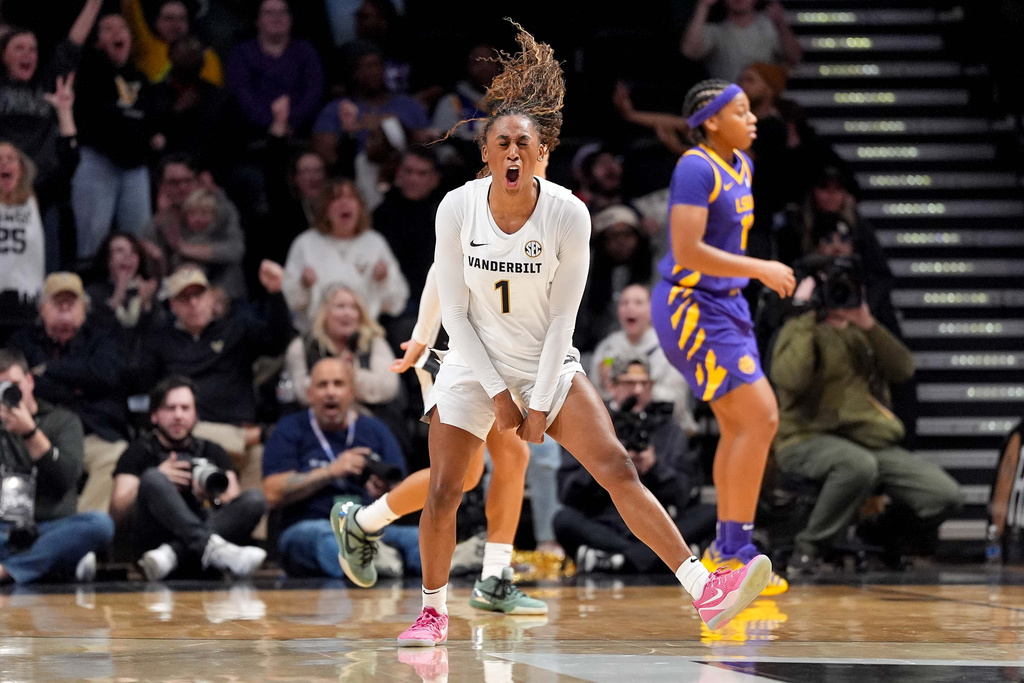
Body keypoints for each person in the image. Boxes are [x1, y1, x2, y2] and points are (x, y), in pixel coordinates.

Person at [393, 24, 772, 647]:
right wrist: (497, 394)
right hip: (470, 361)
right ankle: (432, 611)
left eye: (525, 143)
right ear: (485, 154)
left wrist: (538, 400)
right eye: (501, 143)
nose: (513, 152)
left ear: (543, 154)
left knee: (617, 465)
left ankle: (705, 589)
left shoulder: (568, 212)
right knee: (444, 490)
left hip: (546, 359)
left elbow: (566, 318)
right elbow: (454, 312)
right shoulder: (456, 207)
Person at [649, 79, 796, 597]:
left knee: (742, 425)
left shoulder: (744, 165)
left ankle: (729, 551)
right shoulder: (695, 166)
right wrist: (760, 268)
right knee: (761, 416)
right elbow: (687, 252)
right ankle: (730, 550)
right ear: (711, 120)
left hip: (726, 305)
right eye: (741, 110)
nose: (753, 117)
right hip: (690, 304)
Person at [331, 263, 547, 615]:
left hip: (496, 350)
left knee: (511, 457)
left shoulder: (534, 220)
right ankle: (361, 523)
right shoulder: (476, 211)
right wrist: (422, 335)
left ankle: (494, 578)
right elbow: (440, 265)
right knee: (460, 476)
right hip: (450, 352)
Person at [771, 278, 964, 574]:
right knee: (857, 466)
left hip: (868, 441)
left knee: (944, 496)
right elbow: (790, 377)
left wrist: (867, 322)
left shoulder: (859, 333)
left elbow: (903, 369)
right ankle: (807, 549)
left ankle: (879, 535)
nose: (839, 297)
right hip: (805, 438)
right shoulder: (799, 330)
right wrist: (804, 314)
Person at [137, 263, 293, 491]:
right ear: (173, 306)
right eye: (184, 298)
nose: (193, 303)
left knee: (261, 465)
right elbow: (141, 384)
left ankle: (254, 521)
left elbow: (276, 342)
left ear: (211, 297)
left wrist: (276, 293)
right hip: (193, 435)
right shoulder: (160, 342)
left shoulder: (235, 330)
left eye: (199, 295)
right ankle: (253, 437)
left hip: (242, 430)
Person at [555, 358, 716, 573]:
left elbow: (685, 493)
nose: (638, 390)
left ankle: (620, 561)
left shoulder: (669, 429)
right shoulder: (591, 424)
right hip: (606, 523)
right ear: (612, 386)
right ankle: (655, 559)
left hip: (658, 521)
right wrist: (606, 464)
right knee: (563, 519)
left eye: (644, 384)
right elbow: (567, 491)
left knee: (712, 513)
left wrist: (654, 467)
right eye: (629, 383)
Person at [262, 357, 418, 578]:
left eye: (338, 384)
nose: (330, 392)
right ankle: (374, 561)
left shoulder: (375, 429)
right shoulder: (290, 428)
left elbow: (403, 492)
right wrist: (331, 471)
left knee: (419, 538)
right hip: (310, 526)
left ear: (352, 392)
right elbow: (272, 492)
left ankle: (386, 560)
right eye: (322, 385)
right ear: (309, 394)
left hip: (369, 524)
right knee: (325, 537)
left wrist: (386, 493)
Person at [110, 376, 267, 580]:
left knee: (255, 500)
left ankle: (174, 553)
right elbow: (117, 513)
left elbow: (232, 499)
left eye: (185, 408)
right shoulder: (138, 452)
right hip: (153, 540)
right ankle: (209, 548)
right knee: (152, 477)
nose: (178, 415)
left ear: (196, 416)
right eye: (170, 408)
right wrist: (157, 480)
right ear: (155, 415)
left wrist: (210, 497)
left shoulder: (212, 450)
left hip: (165, 557)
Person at [8, 272, 129, 514]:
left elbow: (106, 377)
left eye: (71, 303)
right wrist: (78, 384)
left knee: (115, 455)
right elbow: (16, 385)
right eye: (57, 303)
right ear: (42, 308)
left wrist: (48, 370)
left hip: (89, 431)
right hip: (38, 429)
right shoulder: (21, 341)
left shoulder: (102, 337)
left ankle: (81, 529)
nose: (65, 310)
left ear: (84, 308)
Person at [0, 348, 114, 584]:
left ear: (30, 381)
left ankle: (10, 571)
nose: (8, 394)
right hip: (4, 530)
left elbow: (65, 479)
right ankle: (52, 563)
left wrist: (30, 433)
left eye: (13, 385)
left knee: (99, 525)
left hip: (50, 527)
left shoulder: (63, 421)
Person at [71, 12, 163, 259]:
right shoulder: (88, 72)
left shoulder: (140, 77)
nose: (117, 34)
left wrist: (155, 136)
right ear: (97, 41)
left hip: (135, 166)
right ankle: (93, 291)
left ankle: (135, 292)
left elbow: (153, 119)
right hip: (98, 160)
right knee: (94, 240)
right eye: (108, 29)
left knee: (138, 240)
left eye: (122, 28)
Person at [282, 178, 409, 329]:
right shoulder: (305, 243)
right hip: (315, 336)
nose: (345, 203)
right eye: (336, 199)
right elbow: (289, 302)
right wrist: (303, 285)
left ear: (360, 207)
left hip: (364, 336)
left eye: (351, 198)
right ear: (325, 209)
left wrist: (384, 280)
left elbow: (397, 303)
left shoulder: (374, 242)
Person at [591, 283, 698, 434]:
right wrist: (605, 382)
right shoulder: (609, 348)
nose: (630, 308)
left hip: (663, 426)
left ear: (652, 310)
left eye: (638, 303)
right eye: (624, 303)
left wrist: (634, 392)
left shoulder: (669, 348)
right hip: (617, 425)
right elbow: (595, 394)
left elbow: (677, 399)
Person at [681, 0, 802, 82]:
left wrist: (781, 25)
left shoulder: (771, 28)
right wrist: (703, 6)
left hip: (763, 109)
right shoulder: (715, 31)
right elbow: (689, 52)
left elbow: (795, 59)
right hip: (727, 108)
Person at [120, 0, 224, 85]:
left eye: (182, 19)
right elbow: (130, 8)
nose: (176, 26)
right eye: (168, 19)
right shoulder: (145, 47)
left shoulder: (205, 55)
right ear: (155, 22)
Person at [0, 142, 45, 304]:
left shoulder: (35, 200)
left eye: (11, 158)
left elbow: (69, 164)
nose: (4, 163)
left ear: (21, 168)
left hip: (26, 298)